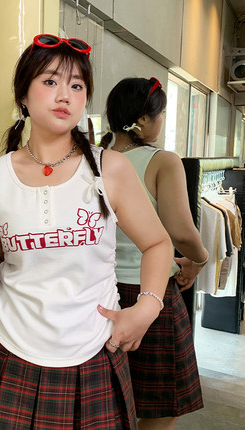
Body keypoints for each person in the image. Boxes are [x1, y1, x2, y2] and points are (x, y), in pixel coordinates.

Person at [0, 36, 173, 429]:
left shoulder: (110, 168)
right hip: (7, 352)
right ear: (23, 95)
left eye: (77, 85)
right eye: (51, 81)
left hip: (92, 353)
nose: (65, 95)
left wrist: (147, 308)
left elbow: (158, 243)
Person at [101, 77, 207, 430]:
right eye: (160, 114)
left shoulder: (91, 157)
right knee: (161, 404)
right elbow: (181, 231)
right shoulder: (162, 161)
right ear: (144, 119)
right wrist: (200, 259)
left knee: (106, 398)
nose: (161, 122)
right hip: (150, 292)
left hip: (100, 293)